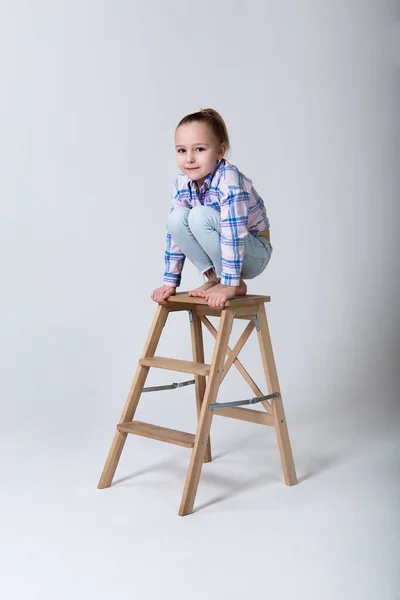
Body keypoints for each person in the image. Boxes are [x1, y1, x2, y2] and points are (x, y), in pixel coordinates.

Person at [151, 108, 272, 309]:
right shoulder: (182, 183)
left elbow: (234, 234)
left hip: (253, 252)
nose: (189, 158)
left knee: (199, 216)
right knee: (176, 219)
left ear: (220, 151)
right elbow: (175, 235)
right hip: (225, 254)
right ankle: (214, 277)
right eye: (182, 150)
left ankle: (230, 281)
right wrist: (170, 281)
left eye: (199, 149)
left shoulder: (228, 179)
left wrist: (231, 284)